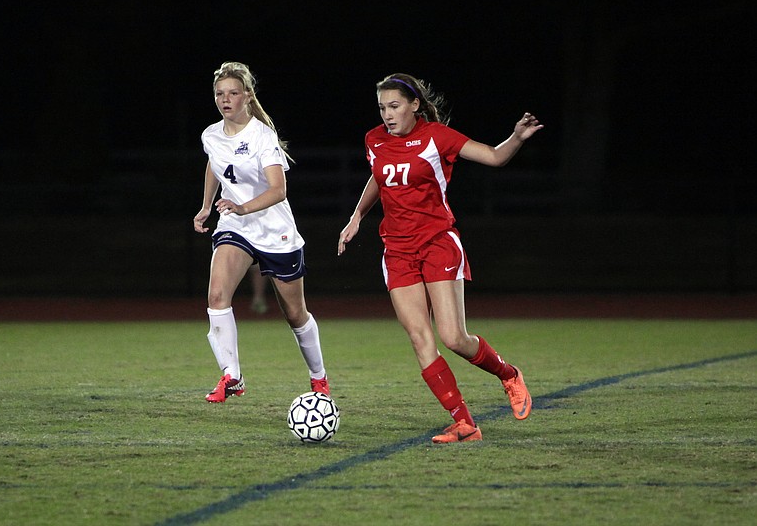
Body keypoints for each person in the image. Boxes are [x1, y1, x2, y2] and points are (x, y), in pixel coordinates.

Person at [338, 73, 542, 443]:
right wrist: (356, 218)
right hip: (397, 250)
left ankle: (508, 374)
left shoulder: (436, 137)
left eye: (395, 106)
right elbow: (378, 177)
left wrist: (516, 137)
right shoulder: (374, 140)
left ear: (415, 105)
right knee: (419, 338)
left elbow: (494, 157)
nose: (387, 114)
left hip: (436, 243)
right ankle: (464, 421)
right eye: (383, 107)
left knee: (453, 337)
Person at [194, 61, 329, 402]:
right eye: (219, 94)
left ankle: (319, 377)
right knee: (216, 296)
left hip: (273, 229)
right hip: (235, 227)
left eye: (233, 94)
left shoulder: (261, 136)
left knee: (295, 315)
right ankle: (232, 376)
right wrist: (207, 206)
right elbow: (214, 162)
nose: (225, 100)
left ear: (247, 97)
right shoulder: (211, 134)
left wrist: (241, 206)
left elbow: (278, 190)